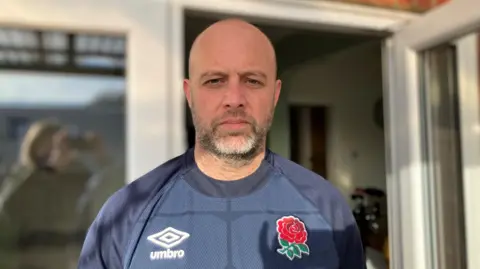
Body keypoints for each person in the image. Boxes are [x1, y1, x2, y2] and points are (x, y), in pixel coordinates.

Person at [78, 18, 365, 269]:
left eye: (252, 81)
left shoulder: (327, 209)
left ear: (275, 95)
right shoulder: (124, 215)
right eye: (215, 81)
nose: (234, 98)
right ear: (190, 95)